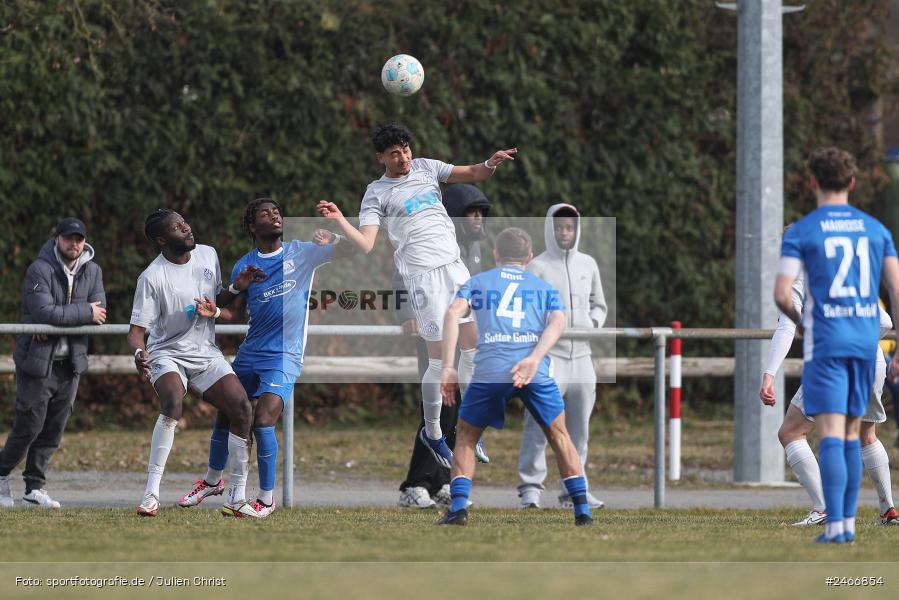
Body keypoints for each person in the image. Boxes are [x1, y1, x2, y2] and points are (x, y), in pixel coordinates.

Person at [316, 123, 517, 470]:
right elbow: (365, 244)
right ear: (381, 157)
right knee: (439, 361)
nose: (403, 157)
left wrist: (491, 162)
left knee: (473, 347)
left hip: (455, 268)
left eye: (406, 149)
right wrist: (339, 220)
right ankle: (435, 432)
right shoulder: (376, 193)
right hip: (423, 278)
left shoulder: (426, 166)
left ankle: (469, 425)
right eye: (394, 153)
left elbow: (473, 173)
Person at [177, 198, 351, 517]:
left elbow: (358, 248)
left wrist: (337, 235)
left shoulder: (303, 252)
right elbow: (230, 311)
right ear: (252, 227)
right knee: (228, 413)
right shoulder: (244, 264)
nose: (274, 215)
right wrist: (229, 293)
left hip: (284, 356)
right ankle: (212, 481)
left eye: (276, 211)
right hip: (250, 354)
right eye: (264, 213)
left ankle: (266, 500)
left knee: (264, 420)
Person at [774, 147, 899, 544]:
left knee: (830, 432)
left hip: (829, 344)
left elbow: (782, 294)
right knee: (859, 432)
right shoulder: (876, 230)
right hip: (868, 347)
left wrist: (804, 324)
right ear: (852, 183)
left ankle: (839, 525)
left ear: (812, 182)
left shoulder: (803, 232)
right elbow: (896, 293)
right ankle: (883, 509)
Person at [438, 227, 594, 527]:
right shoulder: (544, 287)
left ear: (496, 255)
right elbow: (558, 322)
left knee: (467, 437)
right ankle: (582, 512)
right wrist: (534, 359)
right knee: (560, 436)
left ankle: (458, 509)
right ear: (530, 257)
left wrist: (448, 367)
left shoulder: (478, 281)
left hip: (491, 370)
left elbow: (451, 314)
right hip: (531, 371)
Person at [128, 209, 255, 518]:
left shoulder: (208, 254)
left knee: (241, 408)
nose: (186, 228)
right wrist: (138, 354)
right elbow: (136, 332)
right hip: (166, 353)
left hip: (204, 352)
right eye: (177, 227)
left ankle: (236, 497)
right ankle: (150, 494)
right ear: (162, 239)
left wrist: (237, 287)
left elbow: (217, 302)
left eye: (185, 222)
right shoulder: (152, 277)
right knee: (172, 401)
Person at [761, 258, 899, 526]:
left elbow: (787, 326)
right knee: (866, 435)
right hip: (871, 357)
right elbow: (883, 321)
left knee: (791, 432)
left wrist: (769, 374)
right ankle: (889, 510)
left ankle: (824, 508)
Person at [397, 183, 493, 509]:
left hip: (461, 334)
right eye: (471, 213)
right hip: (435, 332)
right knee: (439, 405)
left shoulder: (475, 249)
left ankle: (440, 480)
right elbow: (405, 276)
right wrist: (409, 313)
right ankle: (414, 485)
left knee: (454, 410)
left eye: (481, 213)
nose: (478, 219)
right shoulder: (433, 242)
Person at [0, 218, 106, 508]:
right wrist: (83, 312)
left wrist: (58, 318)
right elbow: (43, 310)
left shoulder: (93, 270)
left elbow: (100, 314)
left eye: (79, 239)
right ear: (56, 238)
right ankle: (0, 475)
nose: (75, 244)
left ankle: (35, 487)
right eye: (69, 238)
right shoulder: (40, 268)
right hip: (37, 362)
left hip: (70, 364)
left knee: (53, 430)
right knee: (29, 426)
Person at [517, 203, 607, 510]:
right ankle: (530, 487)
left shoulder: (589, 264)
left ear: (576, 229)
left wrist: (592, 323)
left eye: (569, 227)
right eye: (559, 228)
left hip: (583, 356)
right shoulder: (538, 267)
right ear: (550, 229)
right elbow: (526, 309)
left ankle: (574, 488)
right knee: (540, 424)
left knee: (579, 427)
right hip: (549, 358)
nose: (564, 233)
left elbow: (599, 305)